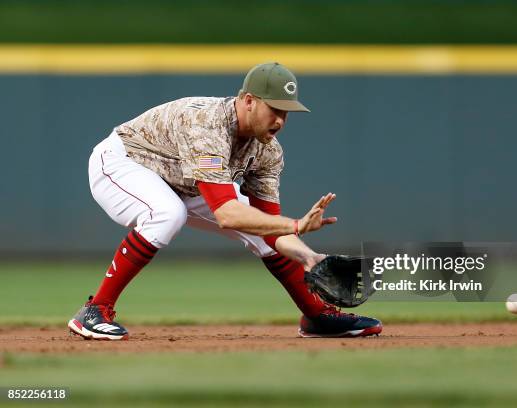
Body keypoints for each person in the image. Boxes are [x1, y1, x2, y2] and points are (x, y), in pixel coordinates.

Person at [68, 62, 383, 340]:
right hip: (123, 163)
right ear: (248, 101)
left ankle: (318, 316)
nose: (281, 120)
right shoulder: (207, 127)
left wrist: (310, 258)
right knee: (167, 213)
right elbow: (227, 215)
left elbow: (269, 229)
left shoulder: (268, 151)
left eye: (287, 112)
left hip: (186, 181)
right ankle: (95, 310)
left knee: (256, 232)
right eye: (274, 109)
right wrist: (297, 224)